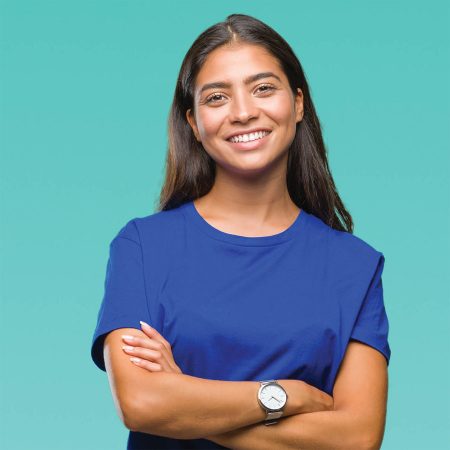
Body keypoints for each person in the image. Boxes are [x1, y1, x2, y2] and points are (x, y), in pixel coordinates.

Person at [90, 13, 391, 450]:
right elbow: (141, 403)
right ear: (193, 122)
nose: (244, 112)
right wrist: (284, 396)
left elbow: (356, 438)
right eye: (216, 98)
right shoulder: (142, 247)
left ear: (299, 103)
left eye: (264, 88)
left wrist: (187, 402)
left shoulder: (355, 267)